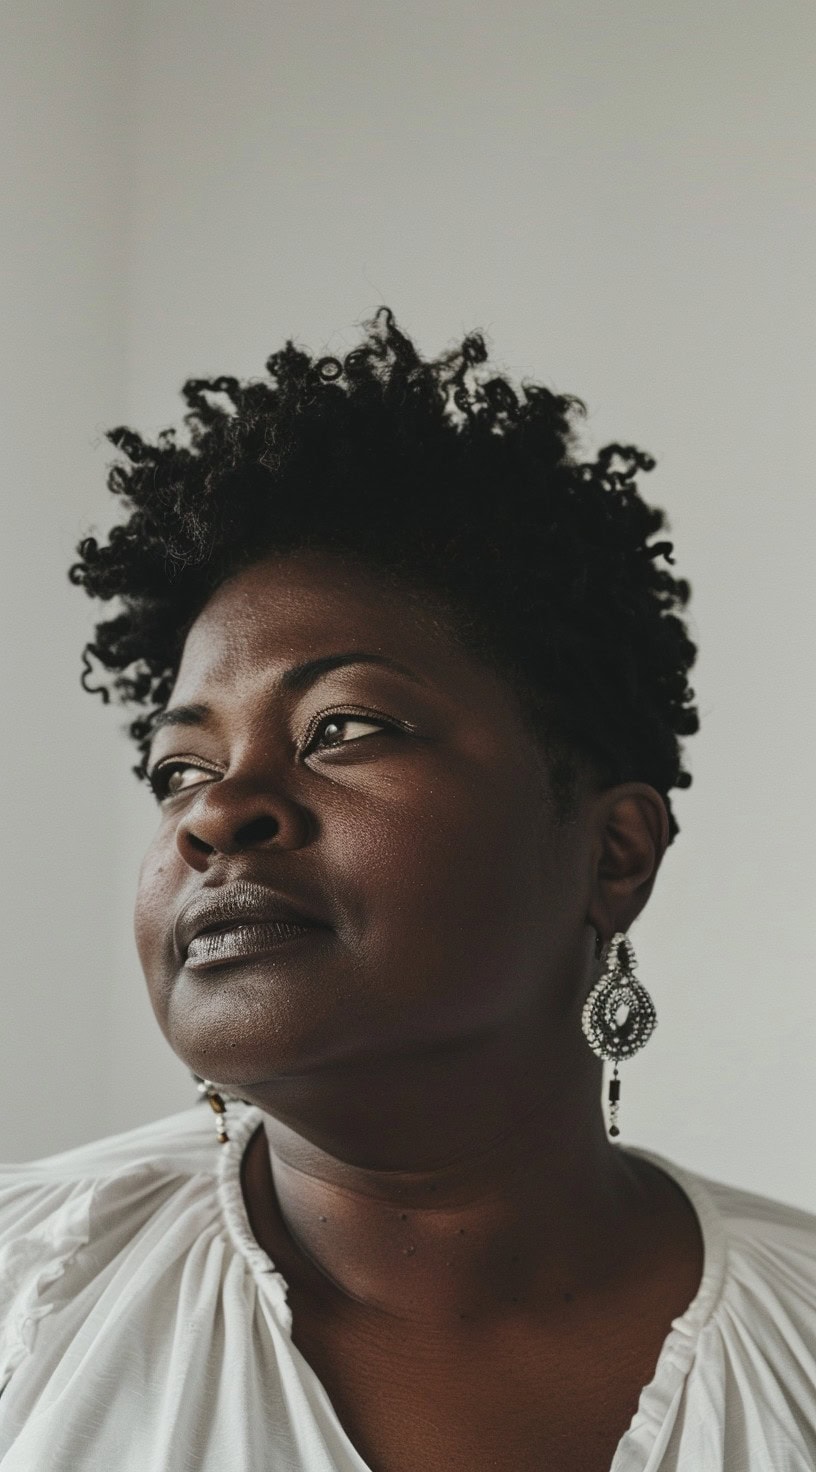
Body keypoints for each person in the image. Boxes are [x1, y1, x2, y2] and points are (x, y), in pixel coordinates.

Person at [1, 308, 813, 1471]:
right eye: (180, 768)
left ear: (614, 852)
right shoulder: (26, 1299)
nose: (219, 811)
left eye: (346, 726)